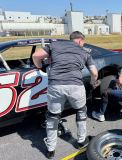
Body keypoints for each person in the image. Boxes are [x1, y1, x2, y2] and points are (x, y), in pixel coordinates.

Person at [32, 31, 98, 159]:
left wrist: (41, 67)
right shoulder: (84, 51)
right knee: (81, 111)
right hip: (76, 86)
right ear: (80, 41)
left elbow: (36, 55)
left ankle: (50, 150)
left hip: (55, 85)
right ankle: (81, 141)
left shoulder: (55, 45)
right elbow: (94, 73)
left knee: (52, 116)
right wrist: (92, 82)